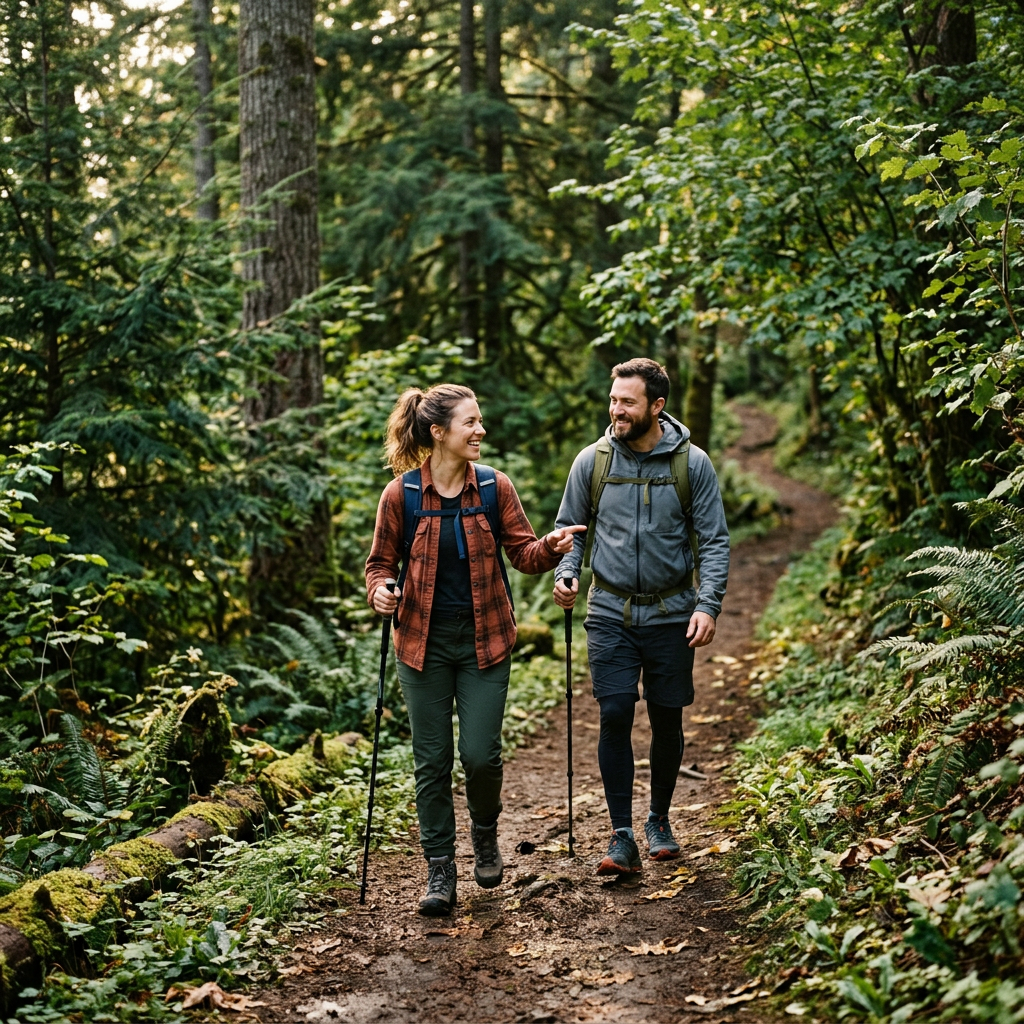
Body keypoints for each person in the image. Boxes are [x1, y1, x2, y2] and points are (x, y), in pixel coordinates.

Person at [366, 383, 585, 916]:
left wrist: (552, 549)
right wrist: (380, 590)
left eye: (480, 420)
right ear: (438, 432)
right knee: (432, 761)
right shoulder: (401, 496)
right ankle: (440, 868)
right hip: (422, 644)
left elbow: (524, 555)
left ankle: (484, 834)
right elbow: (379, 564)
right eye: (470, 423)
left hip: (486, 639)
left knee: (480, 756)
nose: (481, 430)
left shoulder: (493, 488)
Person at [552, 358, 730, 875]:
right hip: (608, 611)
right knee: (614, 712)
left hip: (673, 613)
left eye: (627, 401)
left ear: (657, 405)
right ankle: (621, 834)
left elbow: (714, 541)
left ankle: (659, 820)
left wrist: (708, 604)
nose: (616, 410)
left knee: (666, 716)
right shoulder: (593, 461)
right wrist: (567, 573)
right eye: (613, 399)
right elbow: (571, 530)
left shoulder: (692, 464)